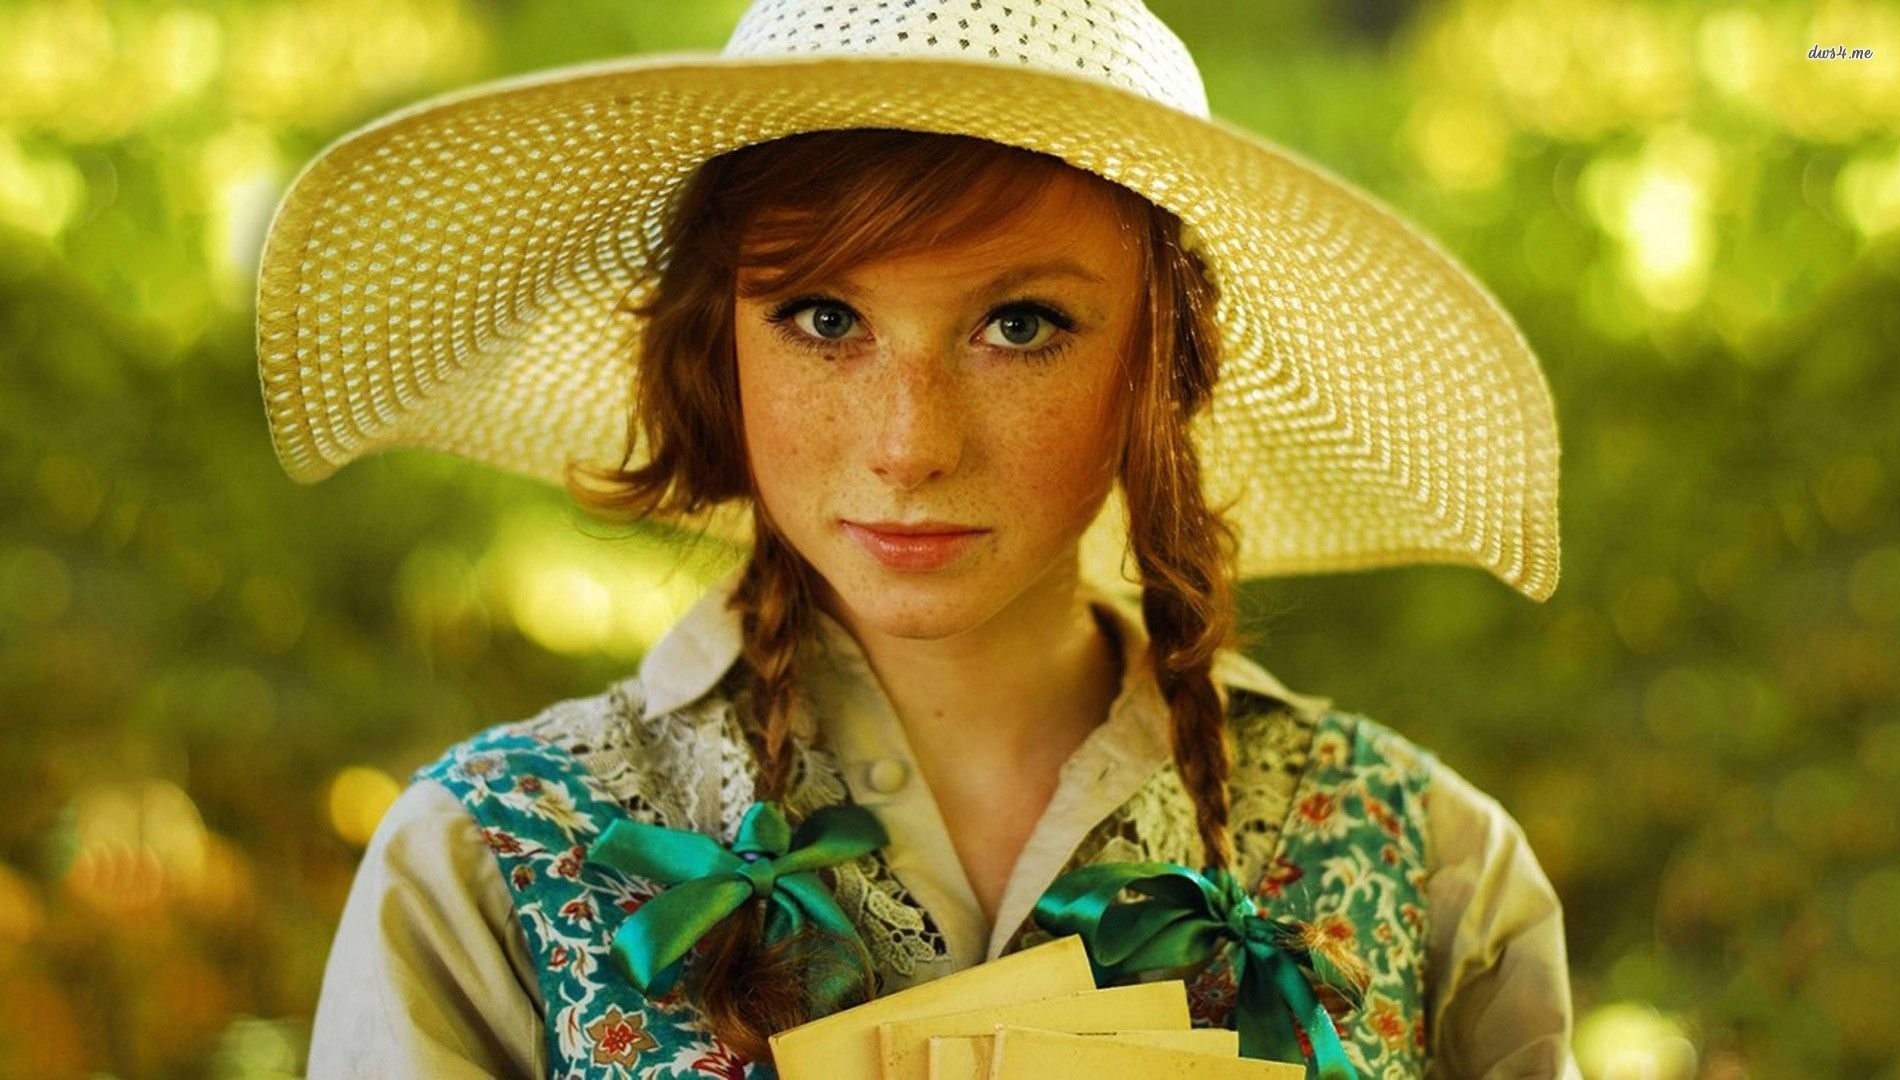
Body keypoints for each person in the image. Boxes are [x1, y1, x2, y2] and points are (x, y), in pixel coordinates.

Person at [258, 1, 1577, 1076]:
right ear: (717, 346)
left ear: (1160, 363)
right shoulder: (489, 862)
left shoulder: (1428, 873)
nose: (909, 443)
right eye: (825, 319)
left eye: (1020, 326)